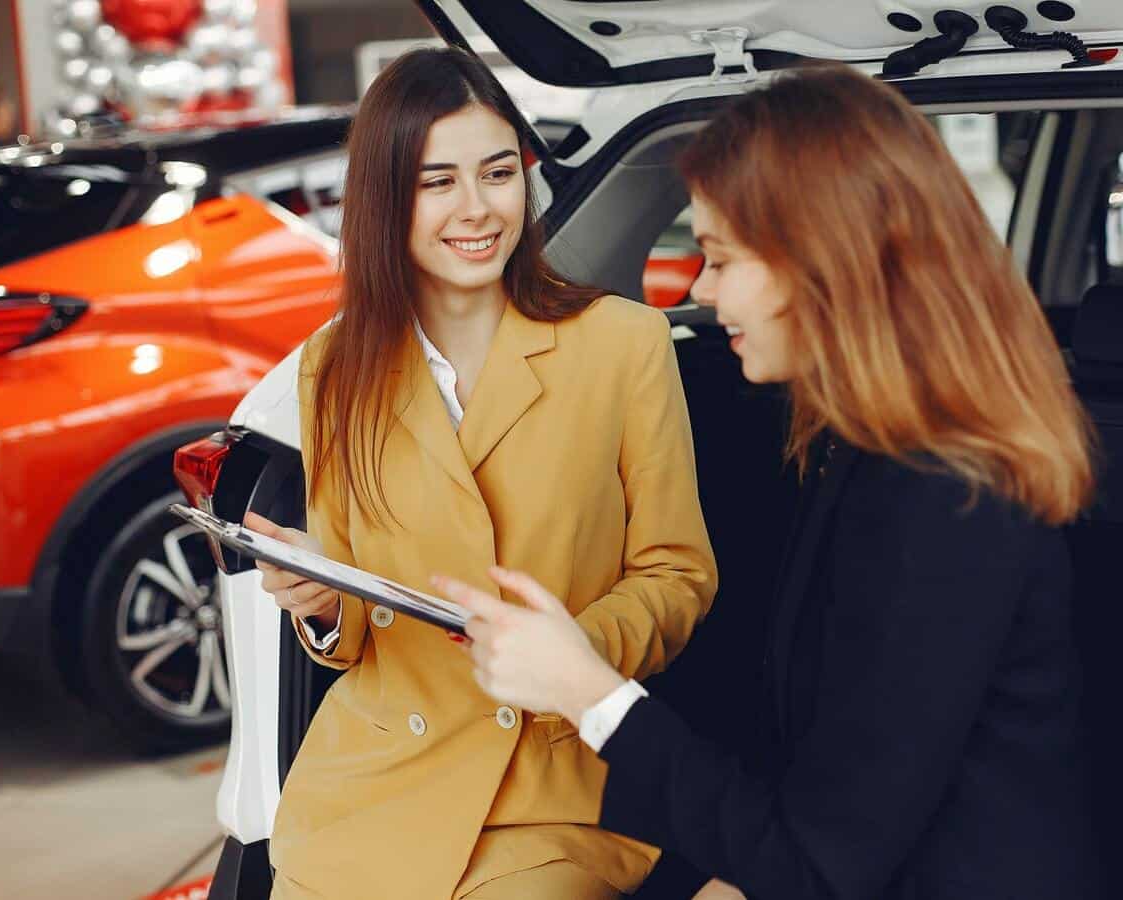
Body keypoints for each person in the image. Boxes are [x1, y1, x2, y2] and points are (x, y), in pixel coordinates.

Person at [434, 63, 1102, 900]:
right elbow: (828, 794)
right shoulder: (864, 448)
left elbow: (817, 865)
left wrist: (586, 690)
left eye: (718, 258)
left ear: (823, 264)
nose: (701, 292)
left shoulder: (943, 496)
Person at [244, 48, 717, 899]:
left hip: (552, 791)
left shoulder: (622, 345)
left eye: (498, 173)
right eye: (436, 182)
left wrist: (575, 656)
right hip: (371, 785)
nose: (476, 209)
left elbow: (677, 574)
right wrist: (319, 603)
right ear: (386, 200)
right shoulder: (332, 367)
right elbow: (350, 640)